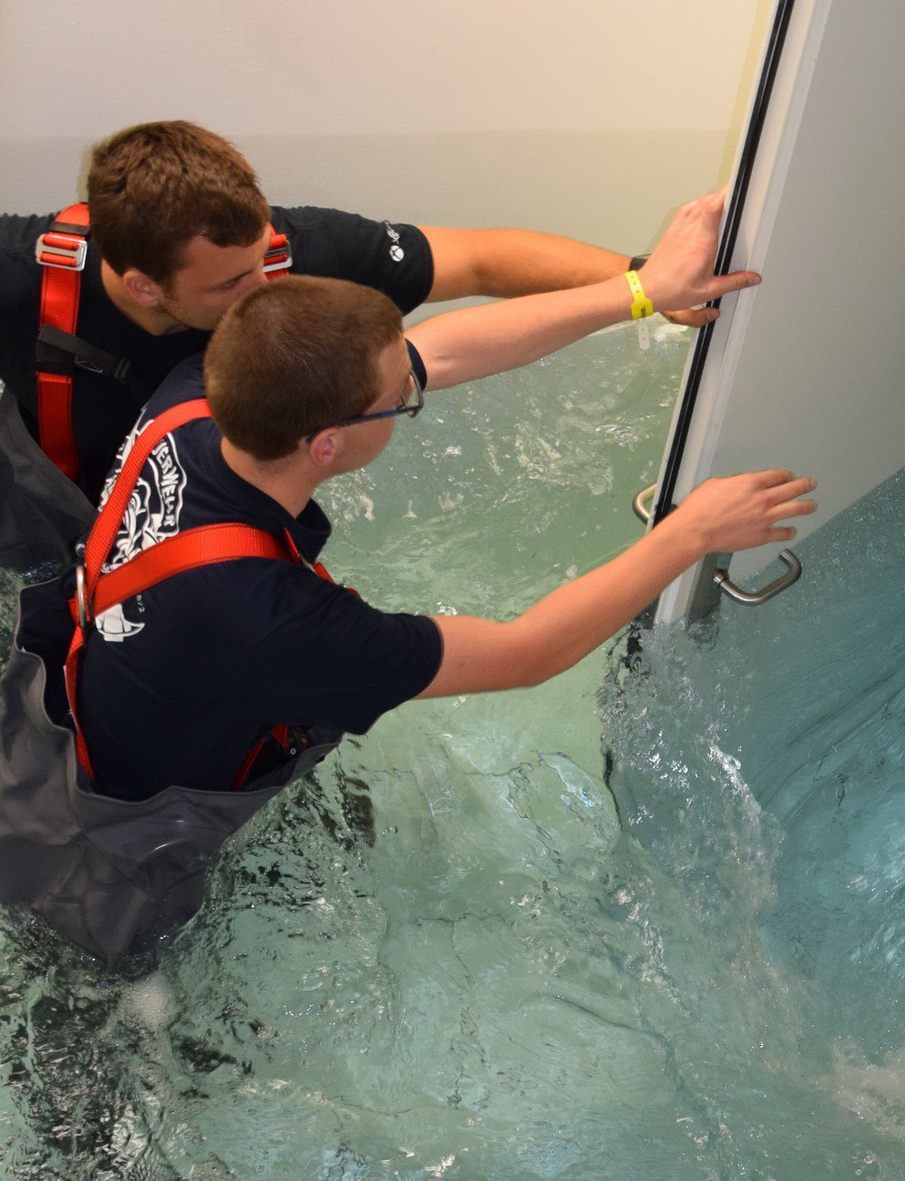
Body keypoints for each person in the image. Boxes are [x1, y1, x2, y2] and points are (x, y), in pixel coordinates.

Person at [0, 191, 816, 967]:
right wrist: (691, 534)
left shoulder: (200, 395)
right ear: (326, 443)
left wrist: (640, 291)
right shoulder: (271, 618)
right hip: (109, 856)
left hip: (47, 724)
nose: (412, 395)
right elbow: (527, 651)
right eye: (400, 402)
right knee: (115, 1018)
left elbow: (448, 350)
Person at [0, 119, 699, 566]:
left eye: (261, 258)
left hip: (220, 531)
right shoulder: (21, 276)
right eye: (228, 285)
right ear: (143, 284)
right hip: (54, 521)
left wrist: (646, 281)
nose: (262, 289)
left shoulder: (286, 250)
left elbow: (480, 260)